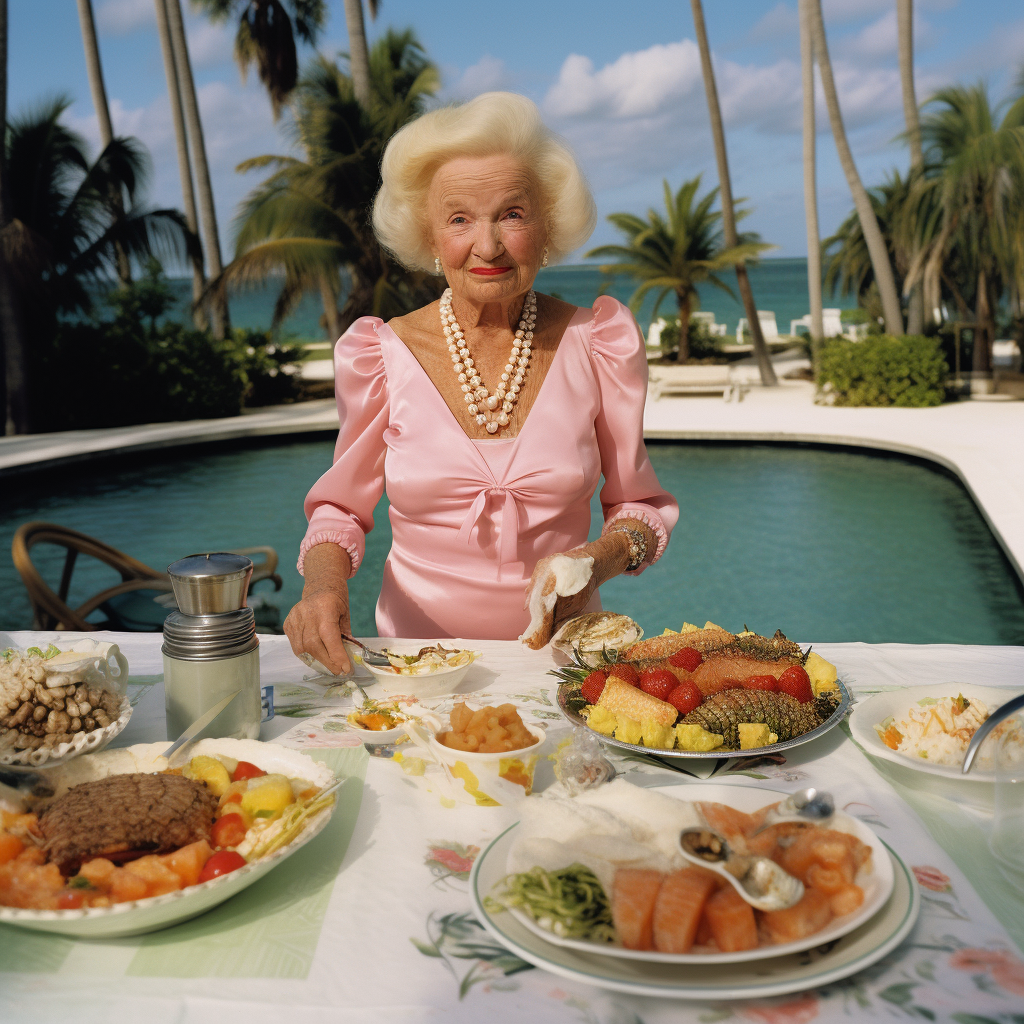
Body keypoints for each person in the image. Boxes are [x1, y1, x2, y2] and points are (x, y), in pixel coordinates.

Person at [285, 92, 678, 674]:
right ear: (430, 235)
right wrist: (322, 588)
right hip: (417, 668)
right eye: (460, 219)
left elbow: (637, 506)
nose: (487, 246)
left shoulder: (599, 343)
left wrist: (596, 561)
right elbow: (339, 512)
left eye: (512, 215)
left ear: (547, 226)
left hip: (563, 665)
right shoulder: (381, 354)